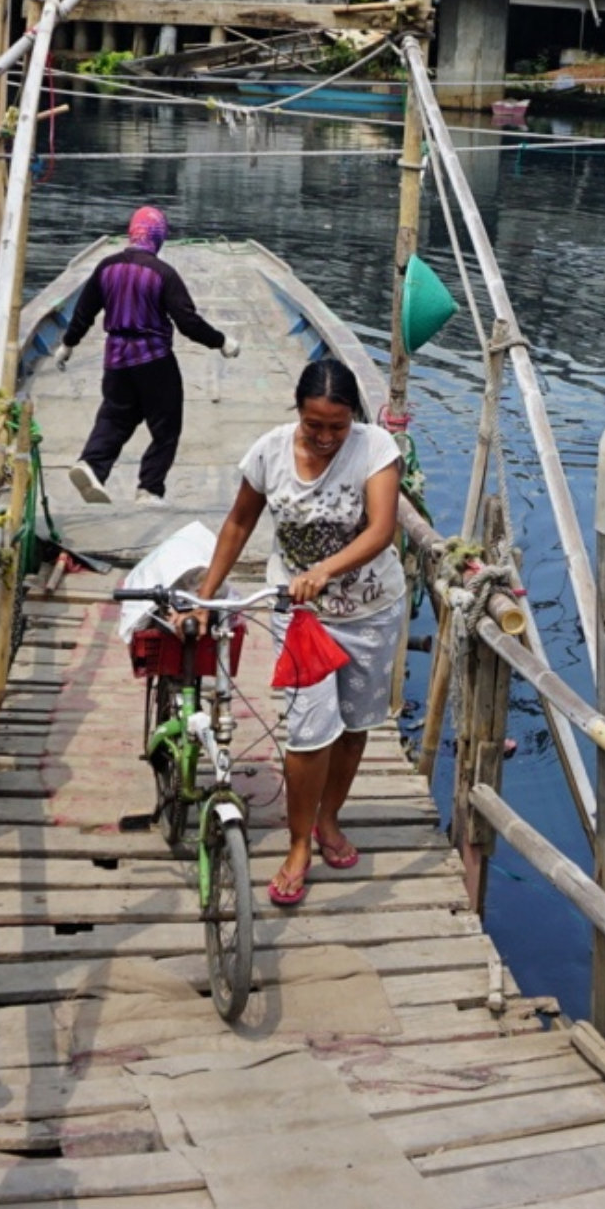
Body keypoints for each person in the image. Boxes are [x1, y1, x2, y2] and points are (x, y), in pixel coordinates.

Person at [187, 358, 403, 907]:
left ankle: (330, 818)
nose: (326, 437)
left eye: (338, 426)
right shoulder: (268, 453)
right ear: (297, 413)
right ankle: (300, 842)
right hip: (302, 617)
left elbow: (382, 529)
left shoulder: (376, 448)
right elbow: (239, 523)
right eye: (314, 425)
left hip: (371, 611)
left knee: (353, 728)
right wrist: (208, 596)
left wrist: (325, 570)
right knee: (309, 731)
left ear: (354, 418)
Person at [61, 206, 232, 504]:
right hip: (154, 360)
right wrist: (221, 341)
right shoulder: (163, 273)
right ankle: (149, 488)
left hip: (116, 359)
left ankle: (92, 465)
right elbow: (188, 322)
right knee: (166, 427)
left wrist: (68, 343)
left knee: (115, 416)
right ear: (159, 237)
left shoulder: (106, 267)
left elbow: (83, 312)